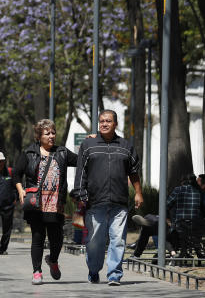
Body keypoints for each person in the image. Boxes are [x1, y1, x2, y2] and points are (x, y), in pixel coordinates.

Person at [72, 109, 143, 287]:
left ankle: (114, 275)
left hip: (120, 202)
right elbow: (81, 172)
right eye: (102, 121)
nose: (104, 124)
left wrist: (138, 193)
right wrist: (80, 193)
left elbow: (134, 173)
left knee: (118, 240)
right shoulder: (88, 145)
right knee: (95, 241)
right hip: (95, 201)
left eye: (108, 121)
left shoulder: (126, 146)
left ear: (115, 124)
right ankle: (94, 270)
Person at [13, 118, 78, 285]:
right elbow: (16, 173)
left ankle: (53, 260)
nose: (51, 136)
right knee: (38, 237)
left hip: (56, 203)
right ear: (39, 136)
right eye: (47, 133)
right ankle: (37, 271)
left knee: (57, 239)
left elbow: (81, 160)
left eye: (53, 133)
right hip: (36, 203)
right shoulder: (29, 153)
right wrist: (21, 190)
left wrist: (91, 141)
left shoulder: (62, 152)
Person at [131, 173, 202, 258]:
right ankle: (148, 220)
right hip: (194, 226)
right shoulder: (199, 193)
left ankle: (136, 254)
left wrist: (167, 219)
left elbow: (165, 206)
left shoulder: (179, 190)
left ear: (183, 182)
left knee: (148, 227)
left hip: (177, 227)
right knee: (153, 223)